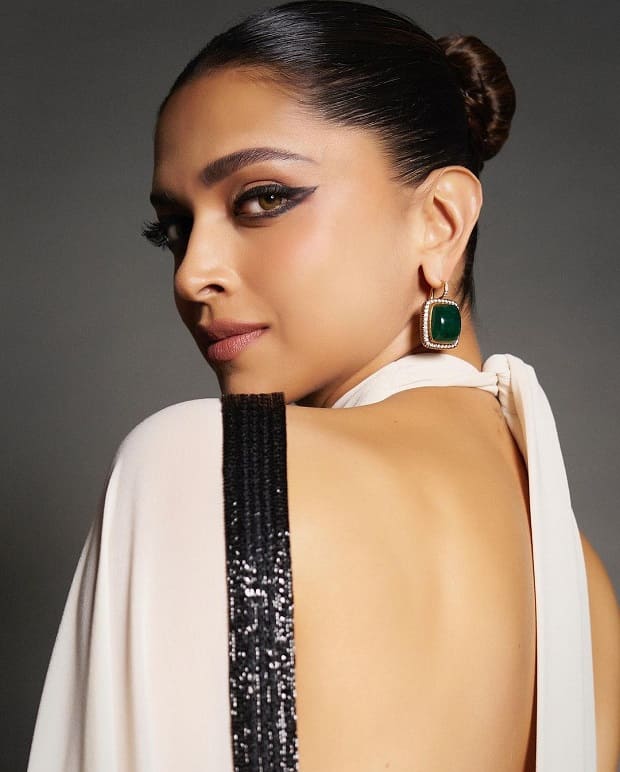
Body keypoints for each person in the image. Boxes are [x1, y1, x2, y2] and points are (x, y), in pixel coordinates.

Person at [27, 1, 619, 770]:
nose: (192, 273)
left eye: (263, 199)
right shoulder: (582, 584)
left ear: (440, 221)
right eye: (174, 230)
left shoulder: (206, 463)